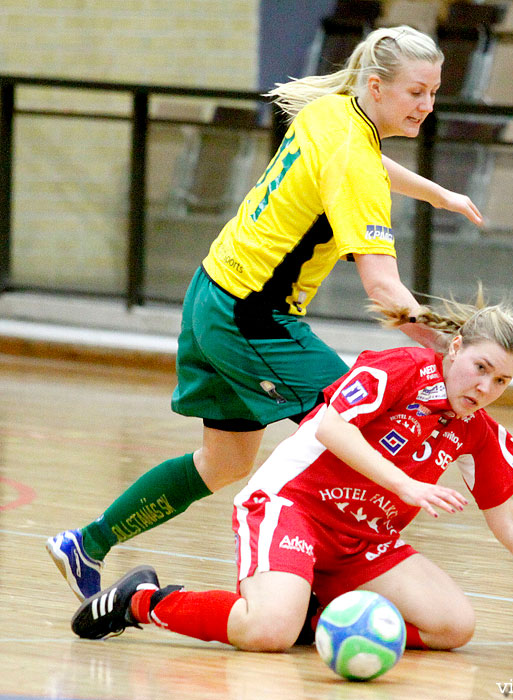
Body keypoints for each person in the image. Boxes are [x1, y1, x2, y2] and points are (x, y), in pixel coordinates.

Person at [46, 25, 484, 602]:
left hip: (212, 292)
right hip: (252, 318)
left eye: (434, 93)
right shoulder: (353, 154)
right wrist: (448, 347)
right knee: (351, 427)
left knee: (224, 461)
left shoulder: (334, 111)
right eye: (416, 93)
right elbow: (383, 288)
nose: (427, 106)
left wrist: (440, 194)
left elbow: (365, 166)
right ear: (376, 87)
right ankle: (305, 581)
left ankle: (88, 544)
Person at [70, 292, 513, 648]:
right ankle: (143, 601)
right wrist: (405, 484)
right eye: (481, 368)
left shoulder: (478, 429)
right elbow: (330, 427)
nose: (485, 389)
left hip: (363, 542)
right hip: (292, 510)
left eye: (502, 381)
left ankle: (310, 612)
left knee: (453, 627)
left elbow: (508, 519)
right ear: (455, 348)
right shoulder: (403, 368)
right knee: (266, 633)